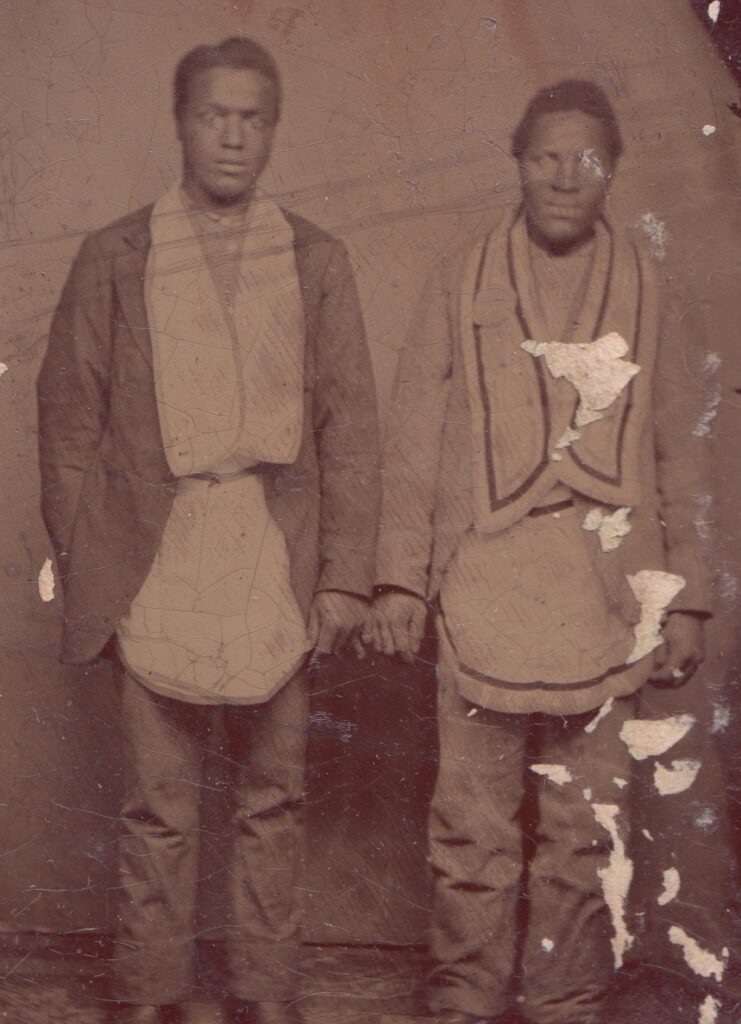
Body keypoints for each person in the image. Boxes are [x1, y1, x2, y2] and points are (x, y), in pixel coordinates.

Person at [37, 36, 380, 1024]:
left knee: (275, 798)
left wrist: (345, 576)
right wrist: (98, 557)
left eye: (253, 117)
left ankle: (264, 997)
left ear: (273, 129)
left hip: (274, 549)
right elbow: (67, 423)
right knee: (160, 803)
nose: (233, 135)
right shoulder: (118, 255)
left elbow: (348, 424)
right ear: (181, 123)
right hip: (156, 548)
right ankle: (151, 997)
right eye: (213, 115)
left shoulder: (313, 259)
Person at [372, 80, 711, 1024]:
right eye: (544, 158)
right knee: (471, 829)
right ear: (515, 163)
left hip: (605, 593)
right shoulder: (463, 276)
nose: (564, 178)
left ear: (612, 171)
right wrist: (401, 580)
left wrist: (683, 599)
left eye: (587, 159)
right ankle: (464, 1001)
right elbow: (411, 435)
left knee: (583, 832)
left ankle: (564, 1002)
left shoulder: (650, 286)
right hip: (483, 583)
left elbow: (683, 445)